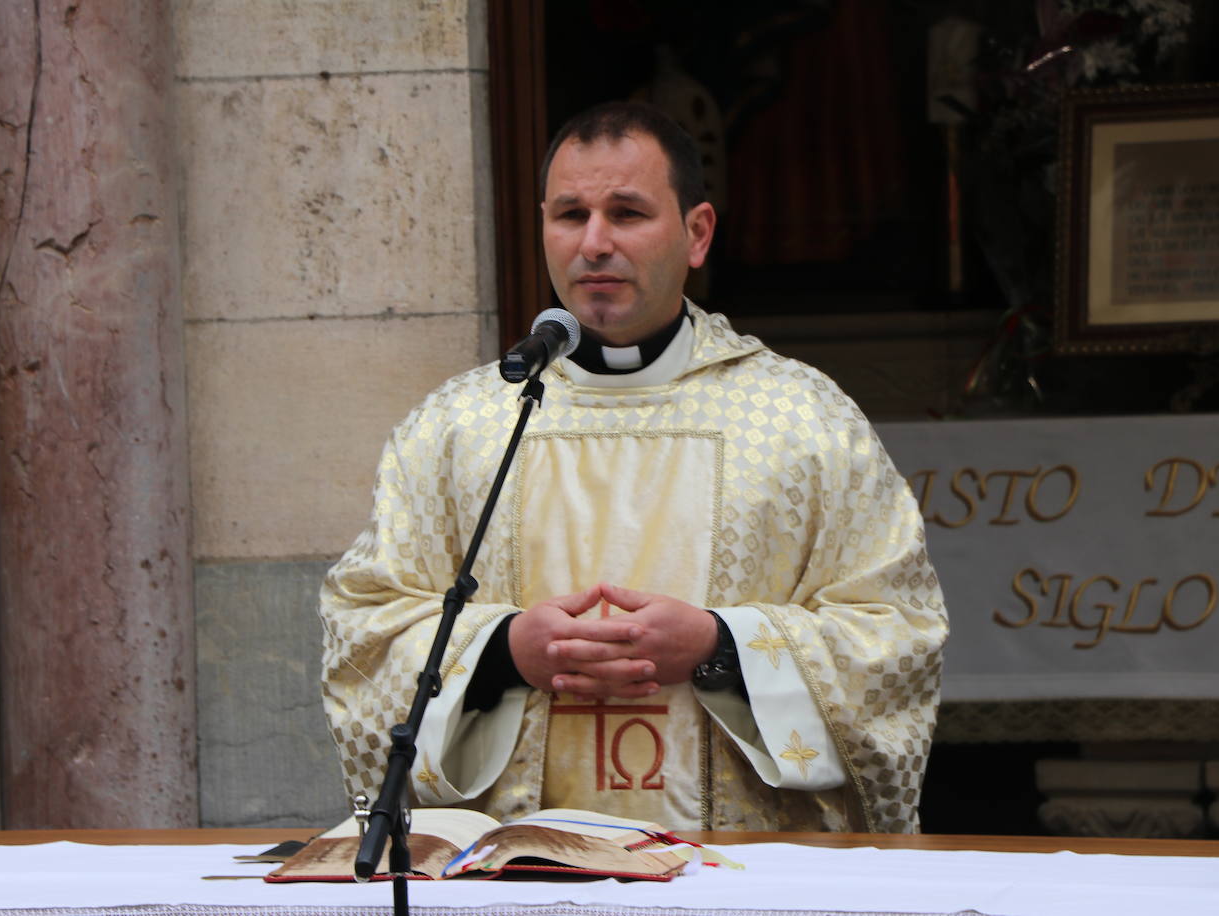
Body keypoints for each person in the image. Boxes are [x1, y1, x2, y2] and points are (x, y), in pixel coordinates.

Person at [319, 101, 946, 833]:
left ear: (698, 232)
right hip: (515, 872)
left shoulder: (803, 421)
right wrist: (502, 652)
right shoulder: (462, 426)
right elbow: (364, 633)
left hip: (740, 871)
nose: (593, 243)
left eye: (626, 213)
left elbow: (899, 636)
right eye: (569, 214)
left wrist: (720, 646)